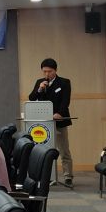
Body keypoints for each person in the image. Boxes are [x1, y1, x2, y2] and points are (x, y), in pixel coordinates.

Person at [29, 58, 73, 186]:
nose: (47, 74)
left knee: (64, 149)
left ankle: (68, 176)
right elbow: (31, 98)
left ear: (55, 70)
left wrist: (60, 113)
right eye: (44, 71)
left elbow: (65, 101)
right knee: (45, 150)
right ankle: (47, 176)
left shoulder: (64, 82)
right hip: (44, 123)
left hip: (59, 121)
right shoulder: (40, 82)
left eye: (50, 71)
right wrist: (39, 89)